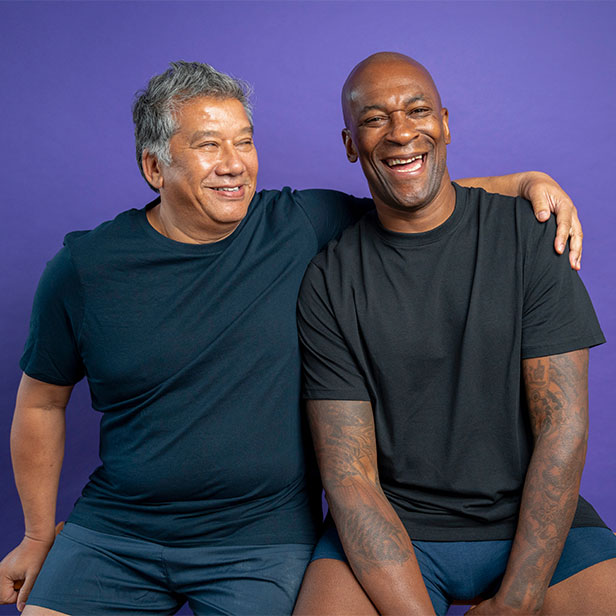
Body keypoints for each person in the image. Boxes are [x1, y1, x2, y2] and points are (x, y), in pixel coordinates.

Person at [0, 60, 585, 616]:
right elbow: (42, 401)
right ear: (155, 168)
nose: (235, 164)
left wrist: (525, 181)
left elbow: (410, 187)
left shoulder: (299, 226)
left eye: (245, 141)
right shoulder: (85, 267)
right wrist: (33, 533)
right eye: (208, 146)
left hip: (261, 540)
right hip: (118, 531)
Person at [294, 52, 616, 616]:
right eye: (373, 119)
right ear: (349, 143)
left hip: (536, 525)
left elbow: (564, 429)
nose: (400, 132)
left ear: (444, 123)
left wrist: (516, 602)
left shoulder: (530, 237)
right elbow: (349, 478)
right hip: (394, 530)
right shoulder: (329, 278)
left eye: (417, 111)